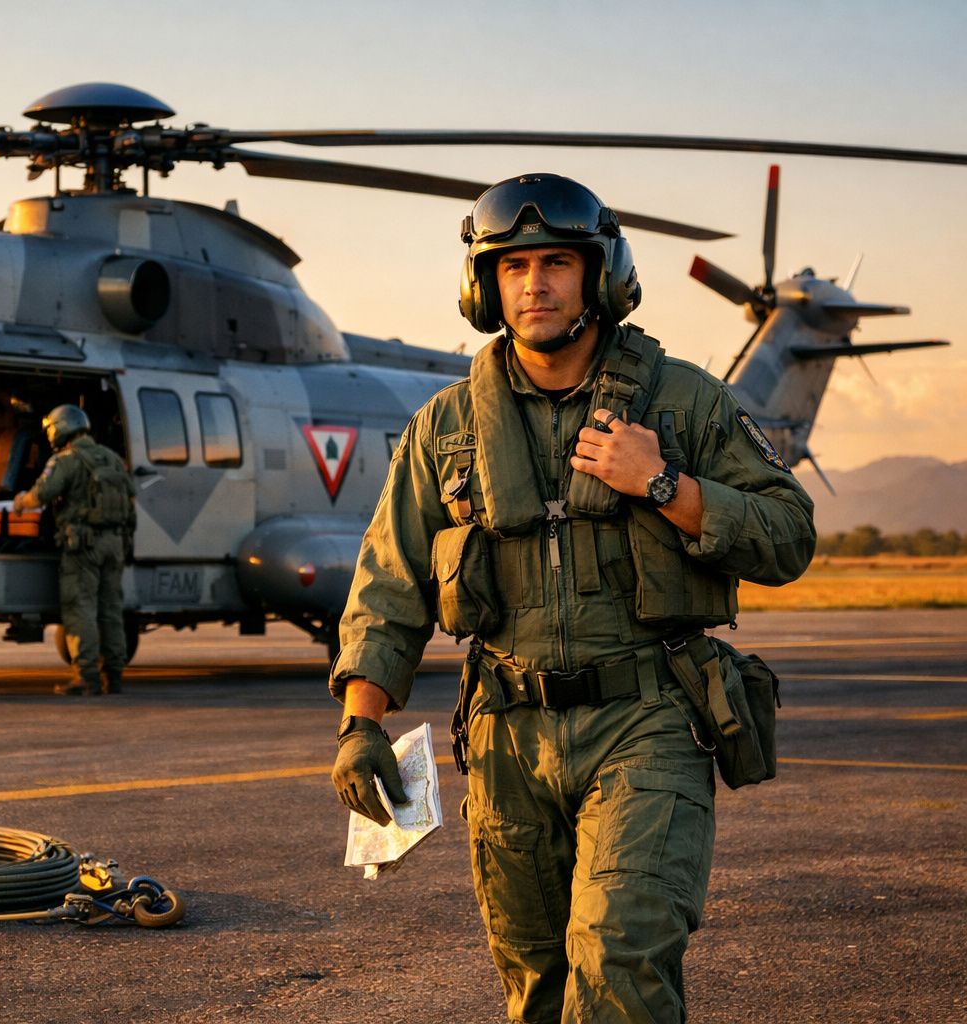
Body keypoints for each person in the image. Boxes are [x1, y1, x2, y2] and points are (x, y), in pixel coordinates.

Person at [329, 173, 815, 1023]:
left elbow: (789, 534)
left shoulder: (681, 400)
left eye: (557, 262)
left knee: (619, 960)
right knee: (539, 988)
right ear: (486, 285)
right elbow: (389, 582)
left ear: (600, 276)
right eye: (513, 267)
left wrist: (664, 483)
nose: (535, 284)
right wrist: (361, 726)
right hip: (506, 737)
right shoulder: (445, 426)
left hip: (646, 718)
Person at [13, 405, 136, 696]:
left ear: (59, 429)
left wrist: (20, 502)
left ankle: (87, 676)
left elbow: (42, 494)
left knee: (80, 608)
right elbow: (130, 504)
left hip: (83, 546)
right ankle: (114, 677)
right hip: (114, 544)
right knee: (111, 610)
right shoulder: (113, 459)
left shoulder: (66, 460)